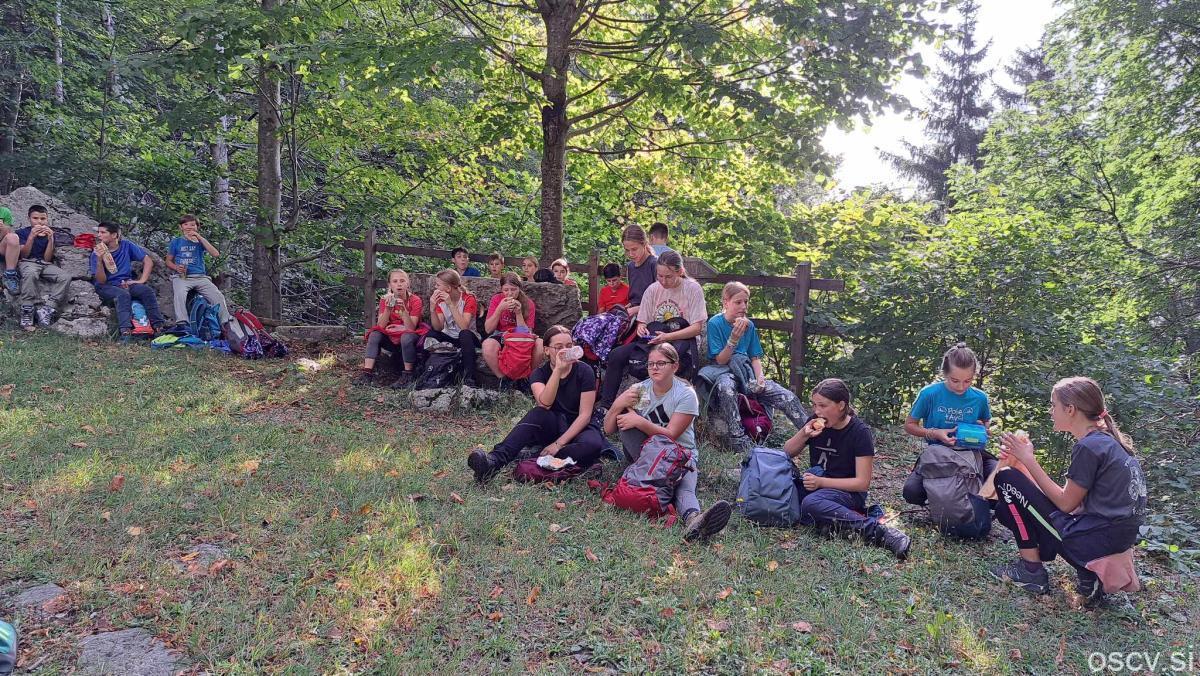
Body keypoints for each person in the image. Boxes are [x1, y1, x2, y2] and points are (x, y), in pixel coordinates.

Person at [989, 377, 1147, 606]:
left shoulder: (1089, 446)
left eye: (1053, 405)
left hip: (1096, 541)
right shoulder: (1105, 442)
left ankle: (1031, 571)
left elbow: (1065, 504)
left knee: (1006, 478)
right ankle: (1088, 575)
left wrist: (1028, 460)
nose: (1051, 411)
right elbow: (1071, 500)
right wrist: (1024, 461)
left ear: (1070, 409)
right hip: (1110, 539)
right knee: (1006, 510)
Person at [604, 343, 732, 543]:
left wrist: (640, 421)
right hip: (645, 454)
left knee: (684, 488)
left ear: (674, 366)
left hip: (679, 454)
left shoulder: (686, 394)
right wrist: (617, 405)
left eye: (661, 363)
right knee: (627, 423)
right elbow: (608, 429)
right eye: (651, 364)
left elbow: (672, 434)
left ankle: (694, 520)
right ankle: (654, 479)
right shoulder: (641, 390)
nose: (654, 368)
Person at [783, 379, 912, 559]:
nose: (817, 411)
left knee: (810, 504)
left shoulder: (859, 432)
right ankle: (833, 524)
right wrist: (804, 434)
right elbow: (787, 452)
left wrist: (821, 482)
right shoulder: (814, 422)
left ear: (841, 405)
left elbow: (862, 483)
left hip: (848, 493)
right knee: (782, 494)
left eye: (823, 405)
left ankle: (881, 533)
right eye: (814, 405)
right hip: (817, 486)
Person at [468, 326, 605, 482]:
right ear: (546, 350)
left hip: (580, 427)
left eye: (569, 346)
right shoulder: (538, 373)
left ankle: (532, 456)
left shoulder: (584, 370)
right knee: (538, 412)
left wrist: (558, 444)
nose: (565, 351)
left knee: (593, 445)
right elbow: (545, 404)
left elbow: (585, 415)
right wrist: (557, 371)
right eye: (558, 347)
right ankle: (494, 461)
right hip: (552, 424)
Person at [901, 342, 996, 538]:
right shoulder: (930, 394)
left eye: (968, 381)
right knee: (911, 491)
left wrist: (981, 430)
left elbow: (986, 423)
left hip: (971, 456)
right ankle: (941, 501)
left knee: (1000, 477)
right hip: (939, 457)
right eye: (955, 380)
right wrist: (935, 433)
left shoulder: (979, 398)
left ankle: (979, 510)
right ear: (945, 374)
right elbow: (909, 425)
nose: (961, 387)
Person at [704, 282, 808, 452]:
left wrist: (760, 379)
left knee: (787, 397)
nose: (743, 306)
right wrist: (733, 339)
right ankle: (738, 439)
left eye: (746, 302)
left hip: (747, 372)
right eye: (738, 302)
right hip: (725, 370)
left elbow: (754, 357)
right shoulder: (715, 323)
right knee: (726, 387)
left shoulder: (749, 325)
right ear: (726, 302)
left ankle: (811, 434)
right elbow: (721, 360)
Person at [599, 250, 706, 409]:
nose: (663, 281)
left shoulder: (692, 289)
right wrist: (641, 328)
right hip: (653, 340)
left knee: (655, 364)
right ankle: (606, 406)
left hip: (681, 343)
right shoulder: (653, 289)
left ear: (680, 272)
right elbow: (643, 321)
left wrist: (667, 338)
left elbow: (697, 328)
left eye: (668, 276)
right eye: (659, 276)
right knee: (616, 355)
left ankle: (643, 410)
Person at [89, 222, 165, 341]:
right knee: (123, 295)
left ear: (114, 235)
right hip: (106, 286)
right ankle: (125, 332)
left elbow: (148, 261)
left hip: (125, 282)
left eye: (103, 232)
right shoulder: (97, 252)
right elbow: (101, 280)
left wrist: (141, 280)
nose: (99, 235)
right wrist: (99, 260)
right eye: (98, 232)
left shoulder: (126, 245)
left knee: (146, 291)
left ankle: (158, 328)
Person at [356, 269, 428, 387]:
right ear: (390, 285)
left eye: (402, 281)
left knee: (406, 336)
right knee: (374, 334)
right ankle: (367, 373)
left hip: (408, 338)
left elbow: (411, 327)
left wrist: (403, 312)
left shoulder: (415, 300)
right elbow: (381, 326)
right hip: (390, 336)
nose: (399, 284)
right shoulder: (385, 299)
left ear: (408, 283)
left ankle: (407, 375)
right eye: (395, 281)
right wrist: (388, 309)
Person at [165, 214, 234, 331]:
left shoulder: (201, 242)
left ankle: (225, 322)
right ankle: (182, 323)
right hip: (182, 277)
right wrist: (176, 267)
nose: (189, 227)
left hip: (200, 277)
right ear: (181, 227)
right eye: (186, 224)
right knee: (180, 294)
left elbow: (215, 254)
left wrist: (199, 237)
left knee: (217, 296)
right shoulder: (176, 242)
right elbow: (168, 261)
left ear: (197, 227)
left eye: (193, 225)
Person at [14, 205, 72, 331]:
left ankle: (47, 309)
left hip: (44, 264)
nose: (39, 222)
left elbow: (47, 258)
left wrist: (51, 239)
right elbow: (24, 255)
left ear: (47, 219)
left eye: (43, 219)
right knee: (31, 273)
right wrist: (31, 236)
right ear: (29, 218)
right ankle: (27, 309)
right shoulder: (22, 233)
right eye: (35, 218)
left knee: (65, 277)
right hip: (28, 262)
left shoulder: (50, 233)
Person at [481, 272, 543, 380]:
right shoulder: (496, 299)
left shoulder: (528, 303)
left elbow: (526, 334)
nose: (510, 293)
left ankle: (527, 378)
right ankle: (503, 379)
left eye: (513, 289)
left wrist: (518, 313)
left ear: (519, 288)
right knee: (487, 345)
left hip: (520, 337)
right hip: (501, 335)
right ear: (501, 289)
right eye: (506, 290)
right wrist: (499, 309)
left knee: (540, 344)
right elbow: (488, 329)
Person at [427, 269, 482, 386]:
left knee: (464, 334)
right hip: (449, 336)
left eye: (438, 285)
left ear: (448, 288)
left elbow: (464, 326)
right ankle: (427, 373)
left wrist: (450, 304)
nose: (435, 288)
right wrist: (432, 309)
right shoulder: (440, 301)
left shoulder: (468, 298)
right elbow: (438, 327)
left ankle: (469, 378)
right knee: (431, 334)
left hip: (469, 338)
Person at [621, 224, 657, 318]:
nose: (630, 254)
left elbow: (662, 300)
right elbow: (636, 298)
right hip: (633, 314)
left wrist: (636, 309)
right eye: (627, 250)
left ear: (644, 244)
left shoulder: (655, 264)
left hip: (652, 316)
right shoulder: (631, 266)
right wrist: (630, 305)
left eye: (634, 249)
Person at [0, 206, 19, 296]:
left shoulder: (4, 212)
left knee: (13, 237)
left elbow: (6, 234)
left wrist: (3, 228)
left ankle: (10, 276)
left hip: (1, 246)